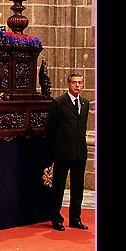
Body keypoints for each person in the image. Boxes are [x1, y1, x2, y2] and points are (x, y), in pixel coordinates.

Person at [45, 72, 90, 231]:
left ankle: (75, 218)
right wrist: (52, 152)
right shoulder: (59, 103)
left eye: (80, 83)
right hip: (63, 153)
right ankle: (56, 218)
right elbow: (51, 130)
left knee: (78, 187)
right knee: (59, 186)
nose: (77, 85)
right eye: (74, 82)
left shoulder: (85, 104)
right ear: (68, 84)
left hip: (79, 153)